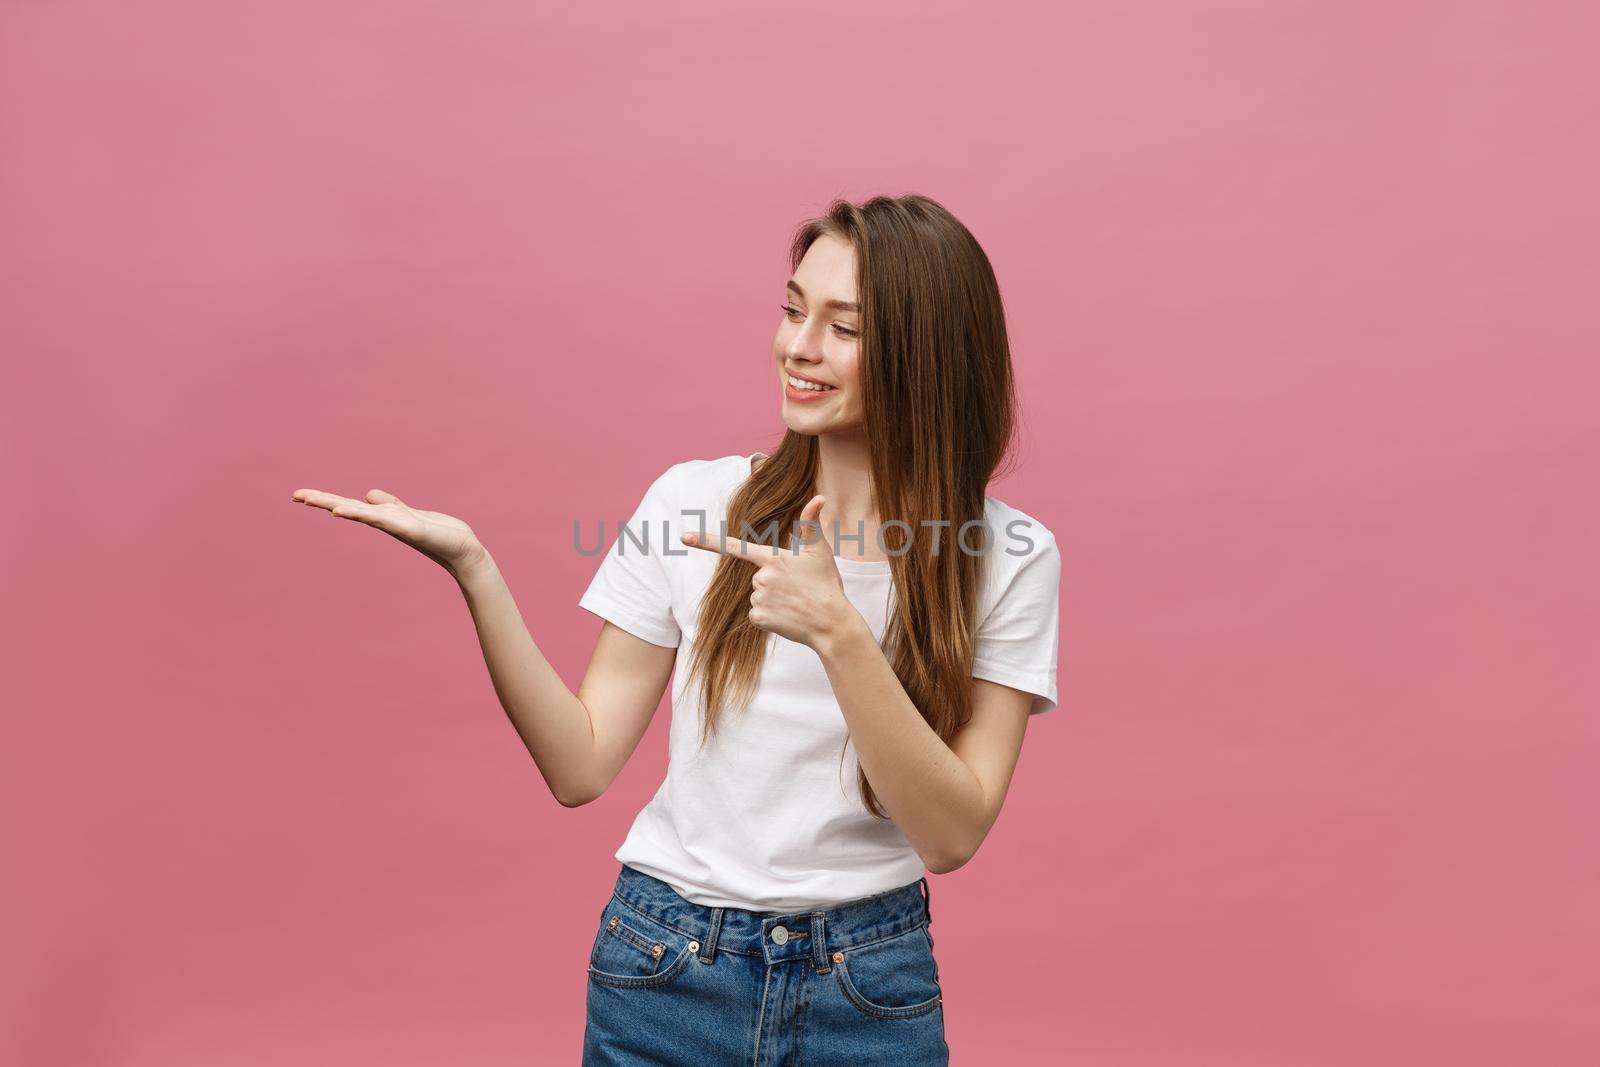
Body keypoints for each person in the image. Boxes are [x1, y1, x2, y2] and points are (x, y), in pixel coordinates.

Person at [290, 194, 1060, 1065]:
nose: (798, 348)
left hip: (869, 986)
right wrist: (476, 569)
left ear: (928, 355)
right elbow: (579, 765)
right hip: (666, 969)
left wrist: (840, 634)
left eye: (844, 327)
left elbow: (952, 836)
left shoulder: (1007, 554)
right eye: (792, 309)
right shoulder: (694, 505)